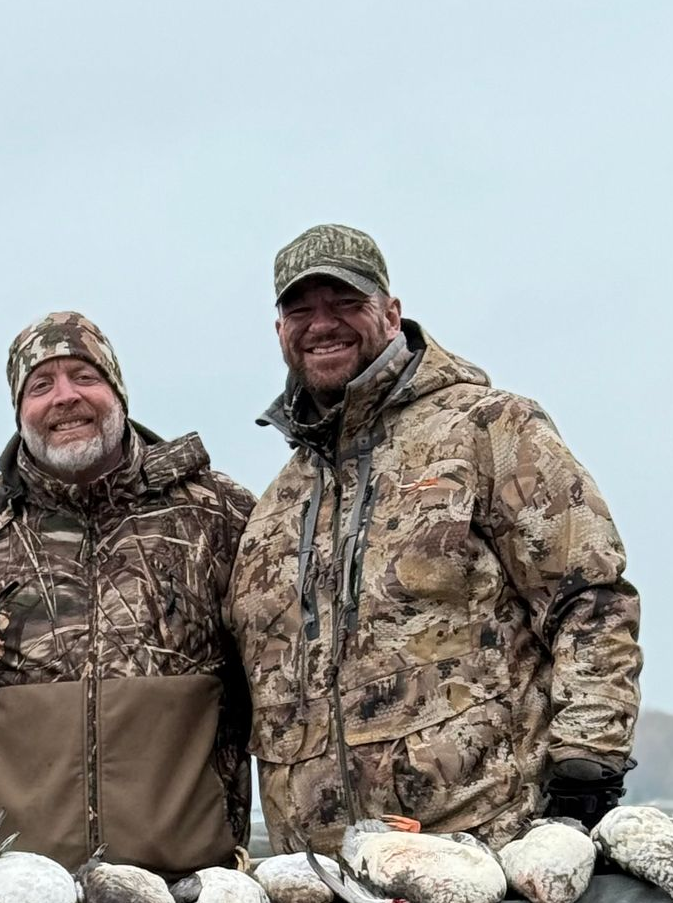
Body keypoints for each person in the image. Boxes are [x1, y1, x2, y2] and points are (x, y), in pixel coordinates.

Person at [229, 224, 642, 854]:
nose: (322, 323)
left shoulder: (489, 428)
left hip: (492, 853)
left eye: (345, 302)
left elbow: (590, 599)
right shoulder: (278, 505)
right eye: (300, 308)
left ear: (392, 314)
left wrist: (587, 764)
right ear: (279, 330)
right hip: (326, 885)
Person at [0, 312, 253, 871]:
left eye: (84, 377)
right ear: (19, 411)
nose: (65, 398)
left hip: (191, 889)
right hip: (25, 896)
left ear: (118, 392)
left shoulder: (217, 513)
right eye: (41, 385)